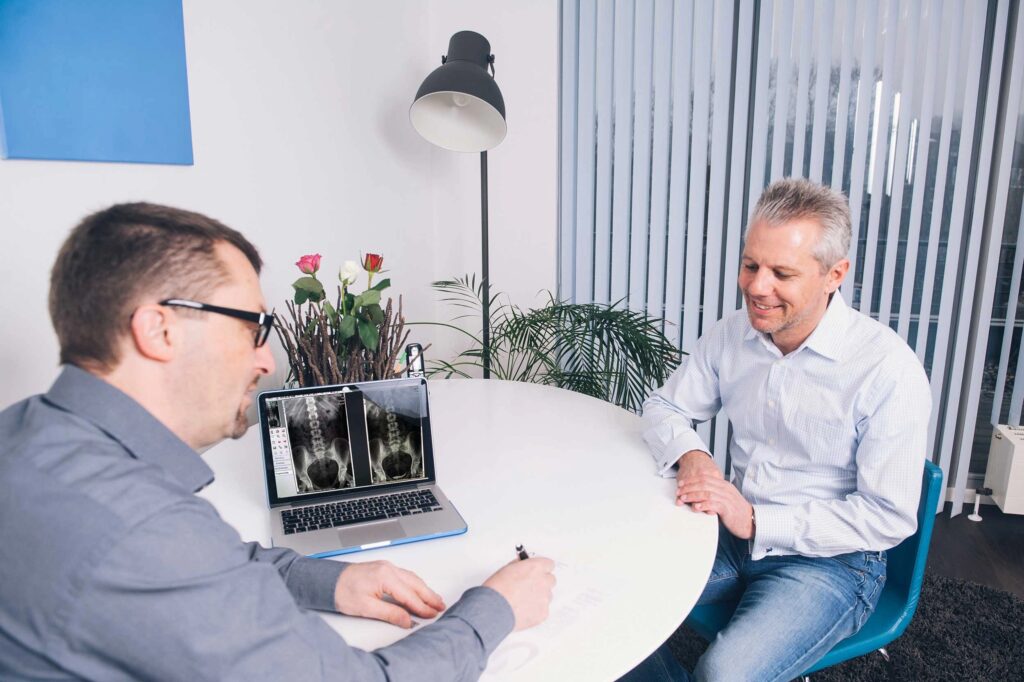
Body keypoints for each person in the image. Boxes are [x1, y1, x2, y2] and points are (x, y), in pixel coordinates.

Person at [0, 203, 556, 681]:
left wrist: (330, 581)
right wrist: (496, 609)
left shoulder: (24, 433)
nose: (266, 361)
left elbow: (204, 568)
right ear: (159, 330)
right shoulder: (139, 528)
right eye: (253, 329)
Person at [625, 178, 932, 681]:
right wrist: (693, 457)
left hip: (832, 562)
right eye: (750, 265)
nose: (755, 287)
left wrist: (757, 521)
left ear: (834, 275)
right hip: (729, 534)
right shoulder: (732, 334)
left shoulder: (887, 369)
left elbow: (888, 517)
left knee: (723, 675)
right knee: (605, 603)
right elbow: (664, 407)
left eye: (781, 273)